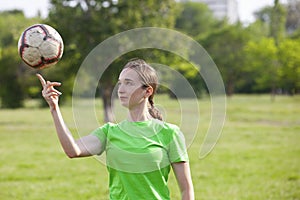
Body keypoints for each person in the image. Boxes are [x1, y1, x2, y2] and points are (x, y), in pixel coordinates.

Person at [37, 58, 194, 200]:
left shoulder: (170, 133)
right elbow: (73, 150)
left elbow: (186, 191)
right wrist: (54, 108)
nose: (121, 89)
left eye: (129, 83)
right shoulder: (109, 132)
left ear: (148, 91)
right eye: (120, 83)